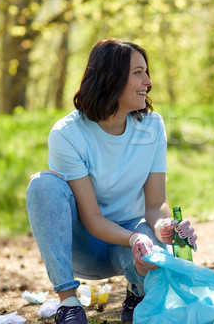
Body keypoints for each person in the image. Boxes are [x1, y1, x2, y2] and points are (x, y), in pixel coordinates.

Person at [26, 39, 198, 324]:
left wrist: (163, 227)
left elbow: (156, 204)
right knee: (43, 184)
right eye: (138, 73)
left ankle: (137, 289)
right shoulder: (67, 134)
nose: (148, 81)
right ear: (112, 78)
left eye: (147, 71)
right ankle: (68, 304)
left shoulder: (152, 127)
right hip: (86, 246)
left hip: (132, 243)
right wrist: (133, 237)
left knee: (158, 258)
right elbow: (92, 217)